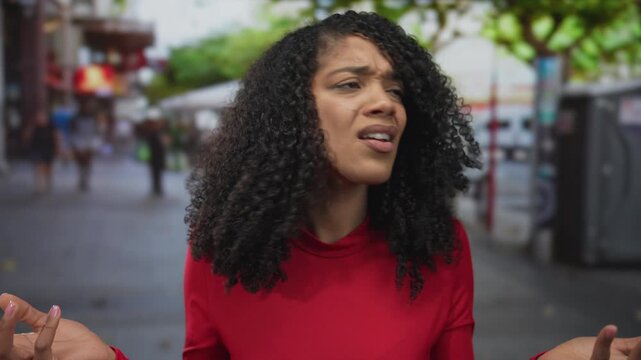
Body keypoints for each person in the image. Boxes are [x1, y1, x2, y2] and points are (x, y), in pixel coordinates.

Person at [1, 11, 640, 360]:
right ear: (291, 114)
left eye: (396, 89)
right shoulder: (220, 247)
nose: (385, 102)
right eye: (350, 84)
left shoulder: (440, 248)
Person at [24, 110, 63, 194]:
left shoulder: (51, 126)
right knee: (39, 166)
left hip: (49, 148)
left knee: (48, 167)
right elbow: (27, 137)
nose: (40, 119)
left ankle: (48, 183)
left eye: (42, 117)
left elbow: (56, 137)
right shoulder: (35, 127)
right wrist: (31, 126)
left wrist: (57, 148)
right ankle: (39, 186)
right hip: (38, 149)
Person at [69, 100, 102, 192]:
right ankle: (82, 179)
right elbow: (73, 131)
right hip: (79, 142)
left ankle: (85, 180)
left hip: (89, 142)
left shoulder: (93, 118)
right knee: (80, 162)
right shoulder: (76, 119)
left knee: (88, 162)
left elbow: (97, 131)